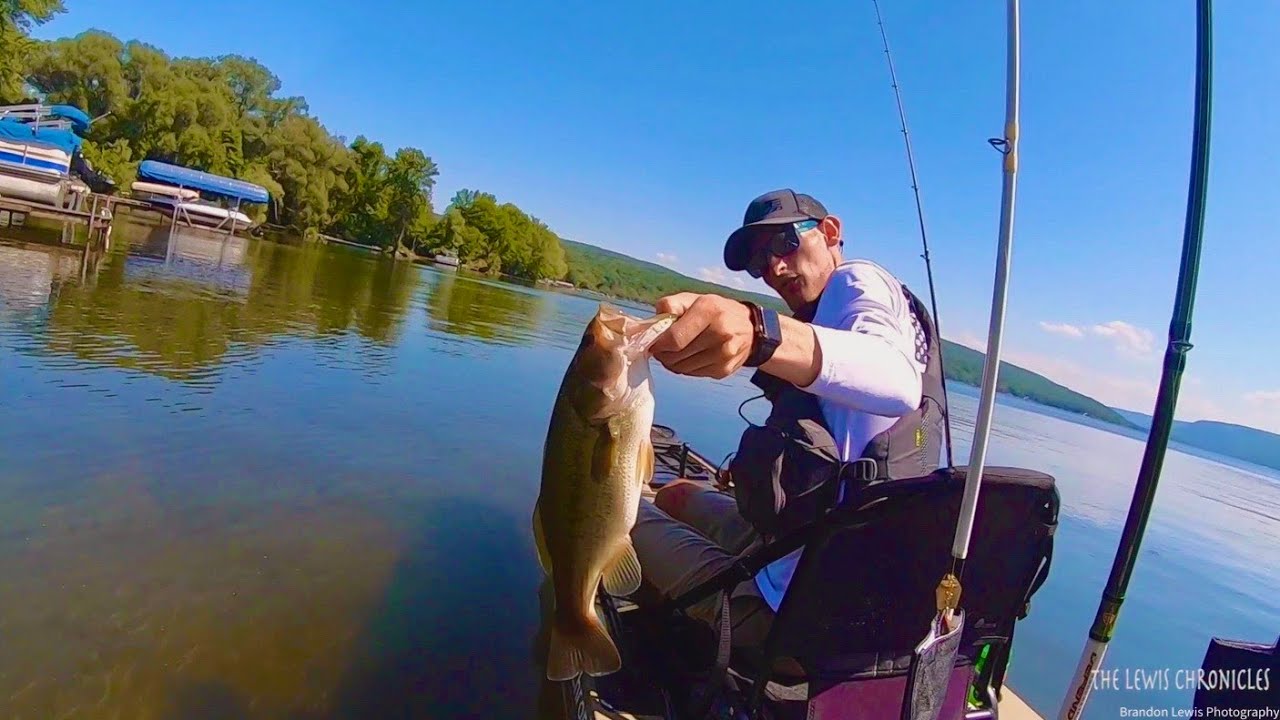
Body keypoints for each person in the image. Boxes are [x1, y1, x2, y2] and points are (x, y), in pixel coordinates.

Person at [629, 188, 947, 652]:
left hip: (788, 623)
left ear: (831, 232)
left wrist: (760, 332)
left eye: (784, 242)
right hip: (811, 556)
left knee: (610, 517)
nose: (774, 268)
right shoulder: (856, 317)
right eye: (759, 262)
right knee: (675, 493)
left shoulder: (857, 282)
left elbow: (897, 380)